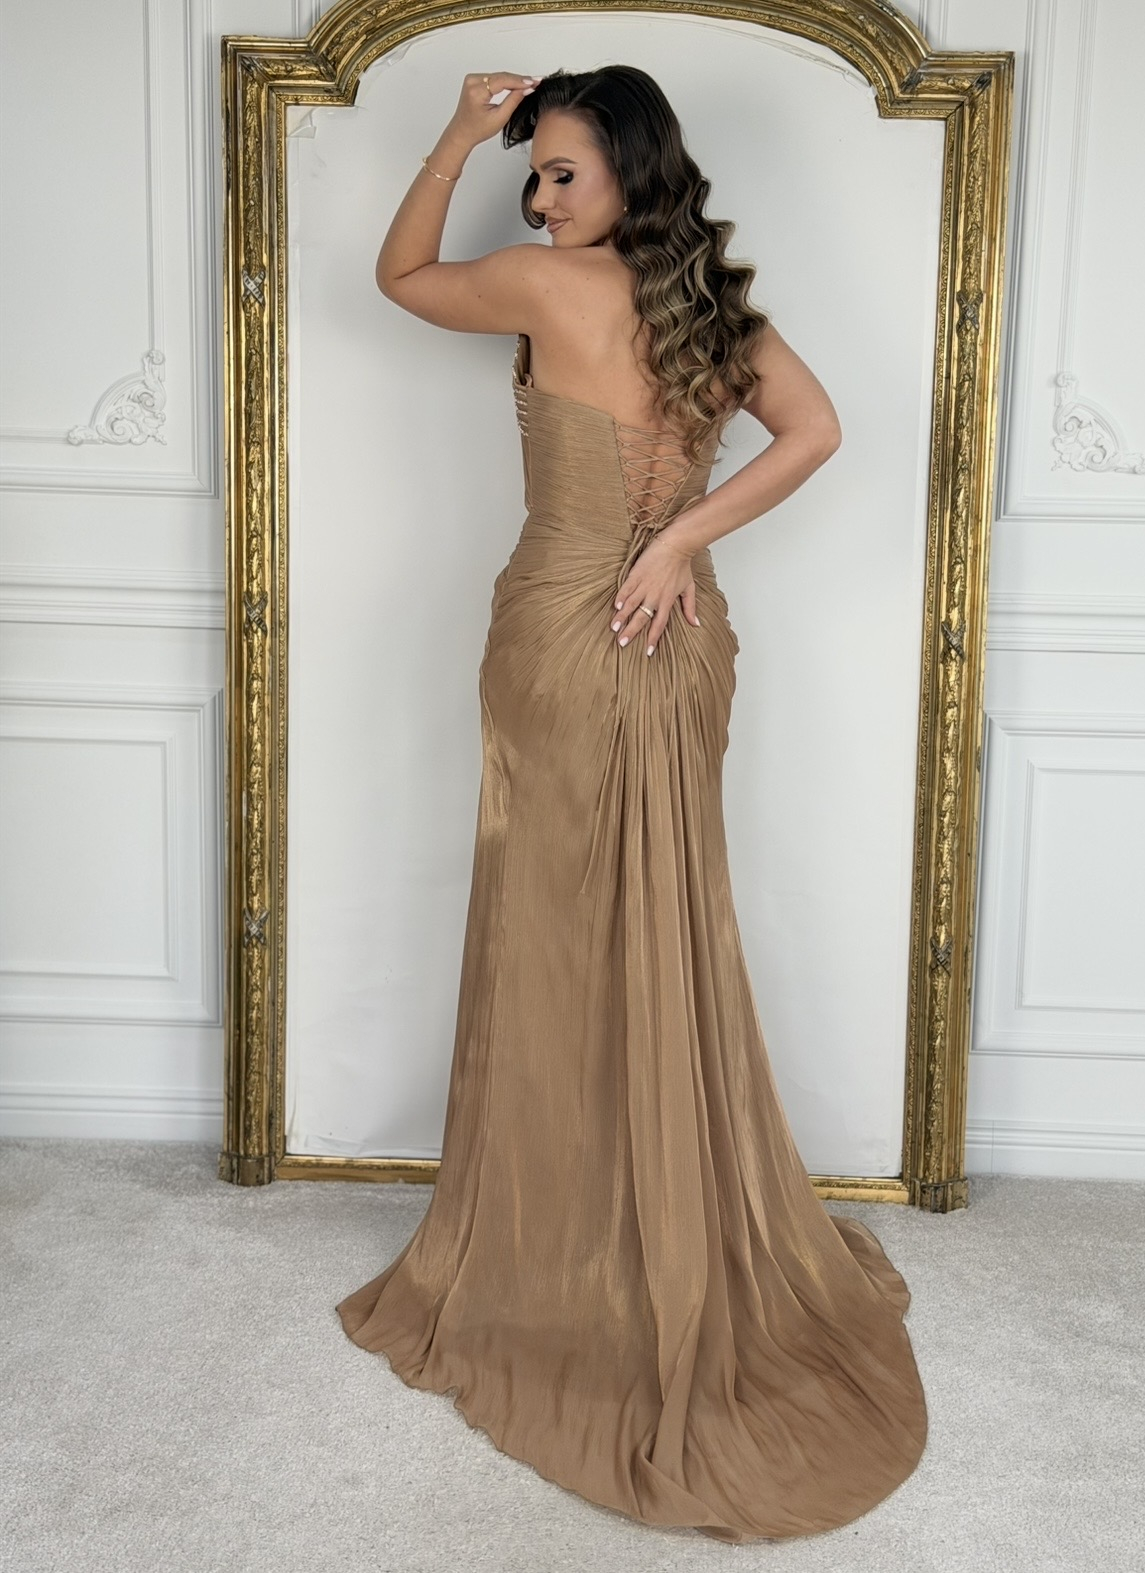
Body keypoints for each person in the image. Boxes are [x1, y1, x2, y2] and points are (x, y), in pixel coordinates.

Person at [337, 64, 927, 1543]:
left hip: (565, 636)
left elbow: (399, 276)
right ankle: (645, 1210)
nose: (539, 200)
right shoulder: (711, 308)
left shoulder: (544, 287)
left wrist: (454, 131)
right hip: (682, 640)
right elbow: (815, 430)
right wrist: (677, 545)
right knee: (664, 924)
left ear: (626, 171)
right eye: (531, 172)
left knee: (552, 937)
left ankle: (565, 1249)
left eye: (560, 171)